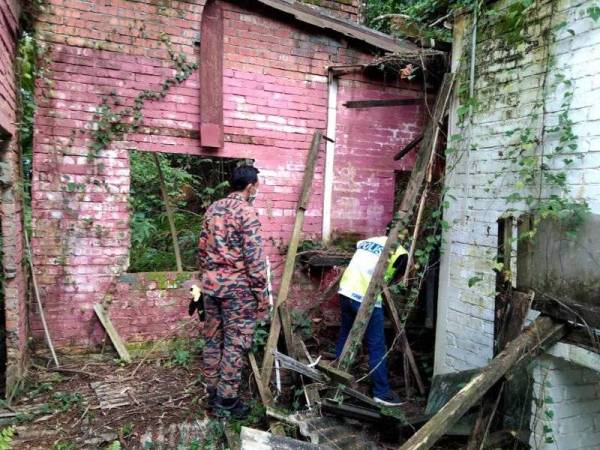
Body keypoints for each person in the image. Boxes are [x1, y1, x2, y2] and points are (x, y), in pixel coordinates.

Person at [198, 165, 268, 418]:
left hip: (211, 285)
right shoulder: (247, 212)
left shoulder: (213, 208)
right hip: (237, 289)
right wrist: (261, 294)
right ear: (250, 186)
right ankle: (226, 401)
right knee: (235, 343)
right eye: (257, 184)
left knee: (213, 338)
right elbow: (255, 258)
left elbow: (202, 249)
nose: (257, 188)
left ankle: (211, 390)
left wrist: (208, 277)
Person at [335, 229, 408, 407]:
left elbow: (359, 253)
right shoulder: (400, 251)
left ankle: (335, 379)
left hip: (345, 291)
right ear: (403, 235)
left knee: (345, 334)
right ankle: (381, 393)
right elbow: (396, 278)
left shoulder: (369, 240)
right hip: (366, 296)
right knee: (376, 345)